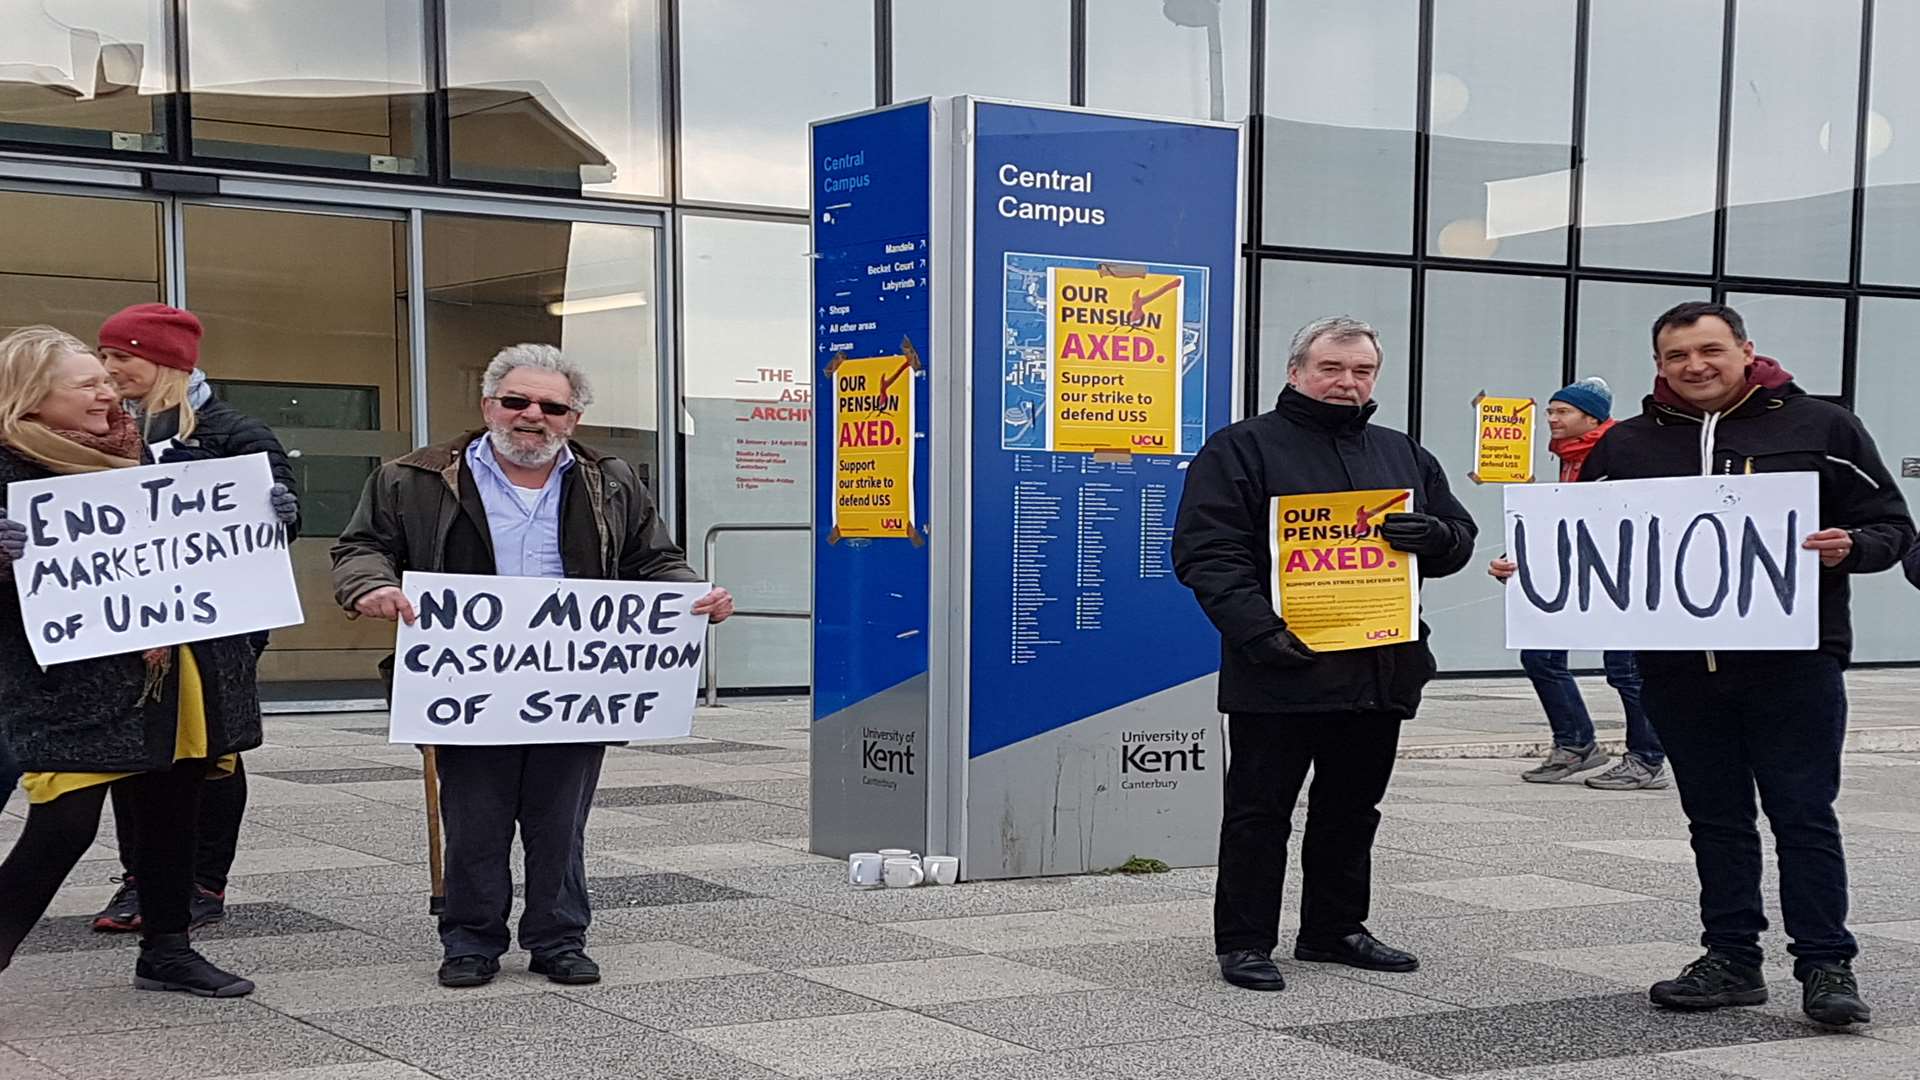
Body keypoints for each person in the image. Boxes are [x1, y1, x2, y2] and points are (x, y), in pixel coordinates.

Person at [330, 343, 735, 990]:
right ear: (489, 405)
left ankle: (558, 938)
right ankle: (470, 940)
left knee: (560, 820)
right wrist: (369, 586)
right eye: (516, 401)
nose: (532, 416)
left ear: (573, 419)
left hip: (576, 682)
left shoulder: (612, 480)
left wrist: (693, 594)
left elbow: (652, 559)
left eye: (552, 406)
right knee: (475, 818)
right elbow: (362, 547)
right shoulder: (414, 478)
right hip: (467, 679)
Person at [1575, 301, 1914, 1027]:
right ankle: (1731, 958)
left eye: (1709, 350)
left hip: (1795, 662)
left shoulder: (1822, 425)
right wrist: (1537, 571)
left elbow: (1890, 524)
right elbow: (1585, 542)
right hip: (1674, 667)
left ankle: (1826, 964)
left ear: (1745, 350)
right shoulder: (1625, 444)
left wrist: (1853, 546)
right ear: (1658, 365)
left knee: (1803, 814)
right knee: (1714, 818)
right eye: (1676, 356)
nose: (1694, 366)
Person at [1174, 316, 1478, 993]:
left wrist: (1436, 535)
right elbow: (1207, 552)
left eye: (1361, 371)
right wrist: (1259, 633)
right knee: (1259, 813)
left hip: (1378, 666)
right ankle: (1246, 941)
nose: (1347, 383)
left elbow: (1459, 534)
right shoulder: (1241, 448)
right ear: (1296, 371)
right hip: (1281, 666)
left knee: (1352, 809)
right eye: (1332, 368)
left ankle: (1334, 929)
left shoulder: (1402, 453)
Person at [0, 326, 268, 996]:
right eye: (87, 381)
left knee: (171, 804)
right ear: (35, 395)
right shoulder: (8, 466)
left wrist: (264, 517)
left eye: (105, 376)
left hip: (164, 667)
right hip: (66, 682)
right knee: (64, 823)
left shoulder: (134, 453)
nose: (107, 389)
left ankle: (167, 949)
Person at [87, 303, 300, 934]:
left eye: (120, 356)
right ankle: (141, 879)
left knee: (213, 753)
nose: (109, 369)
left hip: (214, 633)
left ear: (163, 363)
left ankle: (204, 881)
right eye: (103, 356)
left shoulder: (236, 434)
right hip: (127, 629)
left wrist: (281, 512)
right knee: (138, 753)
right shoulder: (97, 433)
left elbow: (278, 535)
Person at [1487, 377, 1667, 791]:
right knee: (1540, 656)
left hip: (1622, 578)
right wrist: (1520, 561)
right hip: (1578, 576)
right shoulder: (1570, 457)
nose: (1551, 418)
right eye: (1550, 410)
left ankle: (1647, 758)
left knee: (1626, 668)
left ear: (1592, 417)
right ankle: (1577, 744)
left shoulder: (1622, 451)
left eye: (1561, 411)